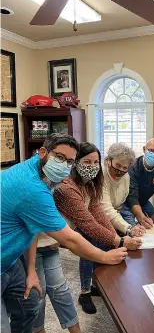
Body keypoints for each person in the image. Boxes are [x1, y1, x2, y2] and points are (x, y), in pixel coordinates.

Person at [1, 133, 127, 333]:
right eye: (59, 158)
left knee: (32, 305)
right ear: (43, 152)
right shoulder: (35, 188)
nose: (64, 165)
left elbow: (30, 227)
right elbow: (72, 239)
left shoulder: (44, 173)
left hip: (14, 256)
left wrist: (120, 239)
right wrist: (107, 254)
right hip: (13, 252)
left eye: (69, 161)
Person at [54, 142, 142, 314]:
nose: (93, 167)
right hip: (54, 233)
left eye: (95, 162)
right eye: (87, 162)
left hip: (77, 223)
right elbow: (87, 223)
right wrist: (120, 239)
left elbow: (97, 210)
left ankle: (96, 283)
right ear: (76, 161)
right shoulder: (66, 187)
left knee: (102, 239)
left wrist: (115, 238)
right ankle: (85, 292)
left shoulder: (90, 182)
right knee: (89, 241)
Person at [122, 139, 154, 229]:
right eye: (151, 150)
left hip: (143, 202)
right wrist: (140, 217)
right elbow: (132, 196)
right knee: (133, 226)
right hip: (126, 202)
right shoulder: (133, 166)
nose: (153, 154)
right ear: (144, 149)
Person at [102, 142, 146, 237]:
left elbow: (121, 206)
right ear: (109, 160)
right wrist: (128, 228)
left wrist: (133, 226)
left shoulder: (126, 177)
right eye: (118, 165)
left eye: (125, 167)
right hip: (101, 217)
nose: (120, 170)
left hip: (118, 213)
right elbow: (107, 210)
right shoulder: (101, 176)